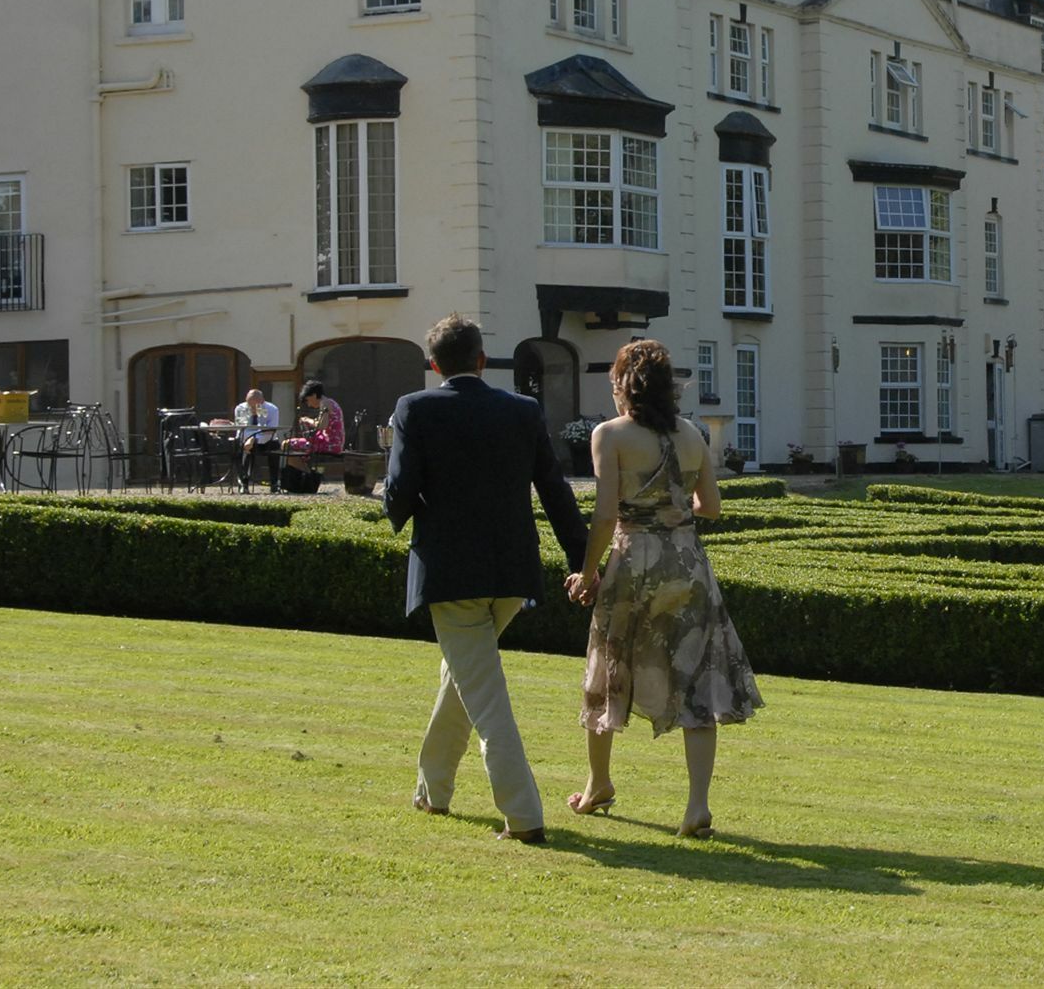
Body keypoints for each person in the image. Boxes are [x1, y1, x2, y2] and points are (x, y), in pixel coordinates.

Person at [384, 314, 588, 845]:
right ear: (481, 359)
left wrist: (397, 503)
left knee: (485, 697)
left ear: (434, 365)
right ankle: (433, 791)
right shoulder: (523, 410)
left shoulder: (415, 407)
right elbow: (556, 491)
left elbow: (399, 494)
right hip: (513, 574)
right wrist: (582, 560)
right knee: (465, 681)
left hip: (450, 574)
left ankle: (524, 816)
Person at [563, 339, 762, 839]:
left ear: (622, 386)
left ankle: (598, 784)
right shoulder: (693, 434)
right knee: (698, 679)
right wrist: (672, 516)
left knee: (607, 671)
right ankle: (697, 806)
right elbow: (711, 507)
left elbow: (606, 515)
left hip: (635, 561)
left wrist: (587, 574)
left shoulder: (610, 435)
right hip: (688, 561)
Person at [282, 379, 344, 477]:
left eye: (308, 400)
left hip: (330, 444)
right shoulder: (329, 402)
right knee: (293, 446)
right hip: (330, 441)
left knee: (287, 445)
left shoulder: (325, 403)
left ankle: (307, 476)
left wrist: (307, 420)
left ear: (314, 395)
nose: (308, 404)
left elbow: (322, 425)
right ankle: (305, 474)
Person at [233, 386, 282, 492]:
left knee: (275, 447)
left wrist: (254, 438)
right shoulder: (240, 408)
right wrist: (249, 439)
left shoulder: (272, 409)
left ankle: (274, 483)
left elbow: (270, 430)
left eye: (255, 406)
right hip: (246, 439)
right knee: (239, 449)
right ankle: (243, 483)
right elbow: (240, 428)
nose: (252, 409)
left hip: (267, 441)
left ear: (262, 401)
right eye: (249, 405)